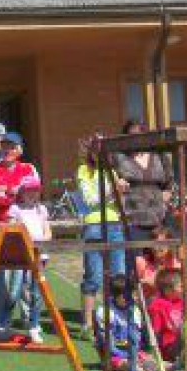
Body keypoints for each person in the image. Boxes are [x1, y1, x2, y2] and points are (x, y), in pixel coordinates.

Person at [0, 132, 39, 340]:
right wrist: (15, 193)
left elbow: (33, 193)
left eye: (12, 146)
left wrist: (8, 192)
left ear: (20, 150)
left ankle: (29, 321)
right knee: (0, 279)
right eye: (4, 146)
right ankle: (0, 321)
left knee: (22, 280)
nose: (7, 150)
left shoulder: (29, 169)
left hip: (25, 231)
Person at [76, 133, 125, 343]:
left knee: (119, 275)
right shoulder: (84, 170)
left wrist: (121, 192)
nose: (101, 153)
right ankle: (87, 324)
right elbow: (90, 200)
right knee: (93, 276)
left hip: (115, 224)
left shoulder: (112, 171)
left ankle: (116, 320)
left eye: (104, 149)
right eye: (96, 149)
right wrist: (113, 189)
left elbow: (118, 202)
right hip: (94, 225)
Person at [113, 119, 173, 263]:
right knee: (136, 263)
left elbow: (169, 180)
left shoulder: (158, 155)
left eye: (139, 135)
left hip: (159, 218)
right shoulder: (119, 157)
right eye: (131, 135)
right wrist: (117, 184)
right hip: (132, 218)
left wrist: (168, 193)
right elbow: (112, 180)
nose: (136, 139)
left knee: (160, 261)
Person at [7, 177, 51, 343]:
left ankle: (34, 324)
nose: (32, 193)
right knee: (16, 289)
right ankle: (5, 322)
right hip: (21, 254)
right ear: (22, 193)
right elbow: (12, 230)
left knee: (37, 292)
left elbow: (48, 232)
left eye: (35, 190)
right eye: (29, 190)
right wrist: (25, 243)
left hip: (39, 255)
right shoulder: (16, 209)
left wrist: (40, 243)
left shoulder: (42, 209)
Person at [94, 278, 151, 371]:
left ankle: (171, 368)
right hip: (113, 356)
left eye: (133, 295)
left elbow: (138, 337)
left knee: (150, 360)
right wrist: (128, 356)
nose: (131, 299)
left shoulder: (135, 310)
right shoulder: (105, 312)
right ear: (115, 296)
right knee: (128, 365)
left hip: (133, 352)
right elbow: (107, 343)